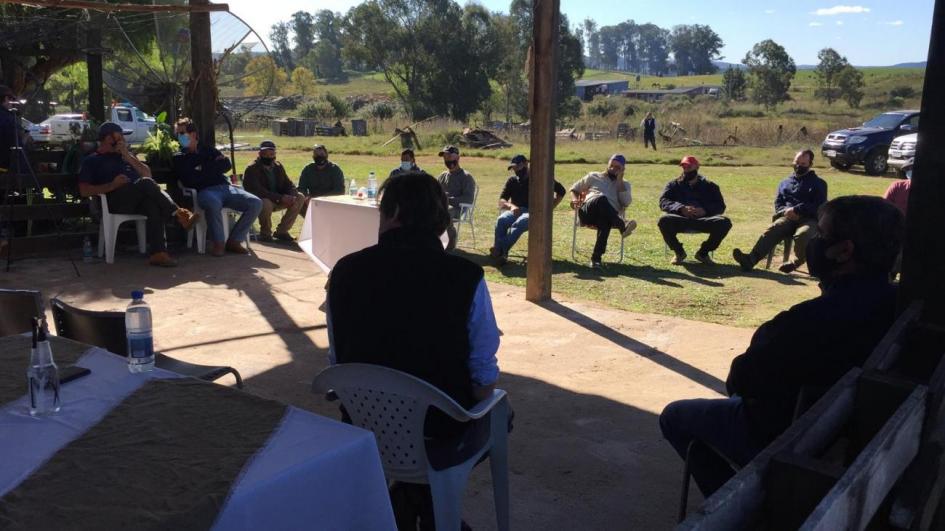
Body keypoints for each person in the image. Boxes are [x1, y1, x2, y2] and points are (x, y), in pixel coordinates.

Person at [660, 195, 904, 497]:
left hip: (792, 436)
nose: (814, 241)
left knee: (675, 416)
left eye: (821, 235)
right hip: (849, 434)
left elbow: (740, 382)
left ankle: (736, 503)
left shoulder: (805, 322)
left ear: (843, 251)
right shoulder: (900, 307)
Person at [326, 170, 500, 529]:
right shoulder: (466, 276)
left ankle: (408, 495)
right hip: (440, 432)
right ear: (439, 220)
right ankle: (426, 500)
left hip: (363, 425)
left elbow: (337, 359)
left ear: (390, 214)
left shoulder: (344, 271)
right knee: (500, 413)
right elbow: (483, 372)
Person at [78, 122, 198, 267]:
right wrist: (112, 185)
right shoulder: (92, 160)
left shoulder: (125, 156)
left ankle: (158, 253)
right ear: (109, 139)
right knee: (146, 183)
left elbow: (148, 174)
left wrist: (128, 156)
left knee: (152, 204)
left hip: (137, 198)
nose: (123, 139)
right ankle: (179, 214)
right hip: (115, 201)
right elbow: (84, 191)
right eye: (120, 136)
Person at [172, 117, 261, 257]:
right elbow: (189, 179)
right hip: (205, 192)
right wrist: (212, 166)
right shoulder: (178, 157)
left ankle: (234, 241)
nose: (179, 137)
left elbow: (226, 165)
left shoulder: (208, 150)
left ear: (193, 134)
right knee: (213, 203)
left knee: (255, 203)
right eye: (177, 134)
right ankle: (218, 243)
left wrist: (201, 168)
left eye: (182, 133)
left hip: (226, 188)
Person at [732, 150, 827, 273]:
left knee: (804, 234)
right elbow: (778, 203)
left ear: (810, 164)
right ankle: (750, 259)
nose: (799, 166)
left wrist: (797, 210)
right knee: (774, 228)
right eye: (797, 162)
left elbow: (819, 205)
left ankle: (796, 262)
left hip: (809, 219)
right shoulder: (785, 183)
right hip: (788, 217)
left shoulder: (819, 183)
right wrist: (785, 212)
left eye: (803, 164)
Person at [490, 154, 566, 265]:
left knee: (520, 222)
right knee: (501, 220)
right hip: (515, 211)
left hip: (534, 213)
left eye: (518, 167)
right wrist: (511, 206)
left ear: (526, 164)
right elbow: (502, 201)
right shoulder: (512, 181)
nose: (516, 170)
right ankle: (502, 254)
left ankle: (499, 249)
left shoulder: (541, 179)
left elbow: (561, 192)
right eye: (514, 168)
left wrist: (550, 208)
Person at [658, 156, 732, 265]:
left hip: (704, 220)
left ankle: (703, 253)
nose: (686, 169)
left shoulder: (710, 186)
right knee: (664, 220)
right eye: (684, 167)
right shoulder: (673, 185)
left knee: (724, 222)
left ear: (697, 167)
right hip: (681, 219)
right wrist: (680, 208)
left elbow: (720, 206)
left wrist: (705, 210)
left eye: (689, 166)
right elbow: (663, 201)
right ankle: (679, 253)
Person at [570, 154, 637, 269]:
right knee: (601, 198)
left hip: (607, 216)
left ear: (623, 169)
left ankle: (596, 259)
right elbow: (574, 189)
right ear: (608, 164)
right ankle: (622, 225)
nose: (613, 169)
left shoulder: (625, 184)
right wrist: (575, 200)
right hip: (587, 212)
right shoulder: (593, 176)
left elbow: (626, 203)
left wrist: (619, 181)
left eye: (617, 167)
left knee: (605, 221)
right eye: (612, 165)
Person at [242, 140, 305, 243]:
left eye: (271, 154)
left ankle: (282, 231)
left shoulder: (278, 166)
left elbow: (288, 183)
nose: (268, 156)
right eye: (265, 154)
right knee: (265, 202)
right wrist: (281, 198)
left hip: (278, 199)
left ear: (275, 154)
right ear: (259, 154)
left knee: (300, 197)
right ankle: (265, 234)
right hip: (262, 202)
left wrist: (292, 195)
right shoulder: (252, 169)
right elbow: (258, 191)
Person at [437, 145, 477, 250]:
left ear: (458, 158)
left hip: (459, 209)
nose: (447, 160)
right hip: (440, 207)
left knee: (446, 212)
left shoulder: (466, 177)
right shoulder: (442, 176)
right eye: (445, 157)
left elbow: (468, 199)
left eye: (450, 156)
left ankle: (449, 242)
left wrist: (448, 199)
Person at [297, 144, 345, 213]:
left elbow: (340, 190)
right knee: (298, 202)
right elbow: (301, 188)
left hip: (330, 201)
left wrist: (321, 199)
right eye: (316, 154)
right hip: (312, 202)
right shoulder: (308, 169)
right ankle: (311, 222)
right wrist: (307, 197)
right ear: (313, 156)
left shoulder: (335, 169)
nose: (319, 156)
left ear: (326, 155)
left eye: (322, 154)